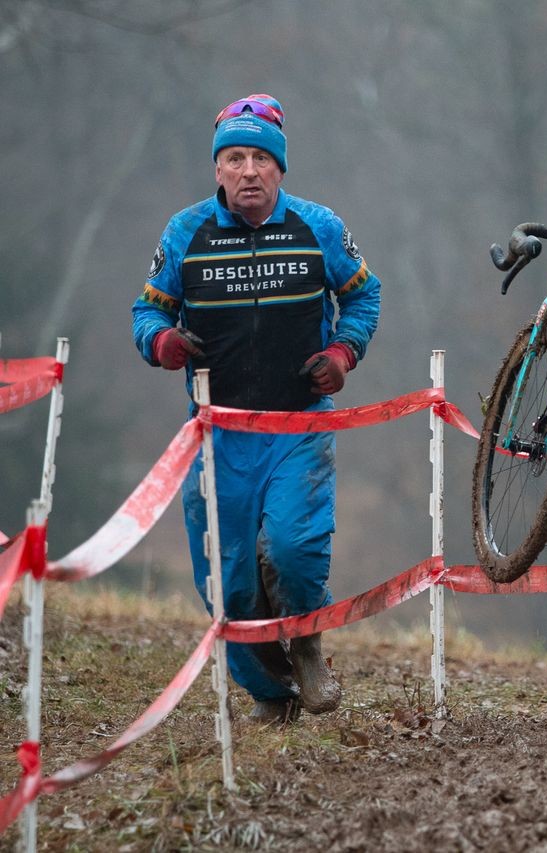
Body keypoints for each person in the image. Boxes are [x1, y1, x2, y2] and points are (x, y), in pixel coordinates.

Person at [131, 94, 381, 723]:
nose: (248, 171)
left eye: (261, 159)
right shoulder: (184, 232)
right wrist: (161, 342)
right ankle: (271, 695)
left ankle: (310, 647)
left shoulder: (319, 227)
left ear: (280, 169)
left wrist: (344, 353)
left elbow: (364, 295)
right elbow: (147, 312)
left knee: (295, 549)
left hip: (299, 425)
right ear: (217, 169)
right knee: (231, 582)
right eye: (235, 158)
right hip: (219, 434)